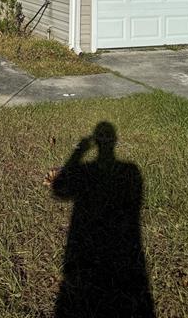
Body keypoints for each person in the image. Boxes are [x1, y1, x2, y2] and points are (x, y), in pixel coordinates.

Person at [53, 122, 155, 318]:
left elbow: (59, 189)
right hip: (124, 245)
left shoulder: (125, 170)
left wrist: (78, 153)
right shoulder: (130, 170)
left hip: (90, 241)